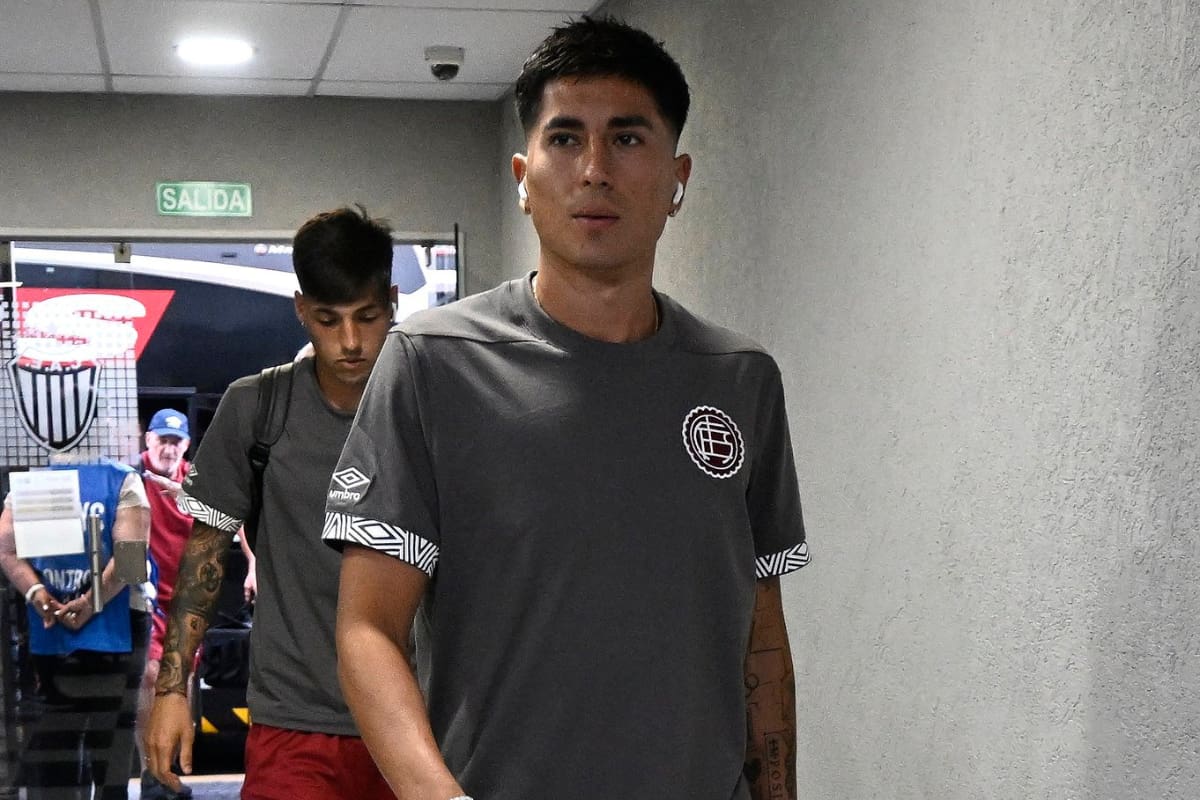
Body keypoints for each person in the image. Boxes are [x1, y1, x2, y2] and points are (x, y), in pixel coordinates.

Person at [324, 16, 810, 800]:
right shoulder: (432, 364)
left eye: (626, 139)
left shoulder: (740, 380)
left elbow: (759, 633)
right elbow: (368, 629)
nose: (593, 170)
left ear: (677, 177)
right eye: (564, 139)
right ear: (523, 175)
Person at [145, 206, 399, 799]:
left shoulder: (430, 407)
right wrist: (172, 690)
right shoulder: (257, 408)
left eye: (367, 317)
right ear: (302, 310)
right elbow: (203, 558)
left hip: (415, 717)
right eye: (330, 320)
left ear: (392, 301)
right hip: (294, 720)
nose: (352, 342)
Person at [0, 459, 151, 799]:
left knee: (59, 738)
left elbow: (5, 548)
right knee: (111, 738)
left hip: (52, 622)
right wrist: (89, 603)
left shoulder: (35, 481)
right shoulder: (121, 479)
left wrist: (38, 595)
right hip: (118, 624)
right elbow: (132, 557)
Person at [133, 408, 195, 799]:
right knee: (151, 675)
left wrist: (253, 564)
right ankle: (150, 772)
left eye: (176, 441)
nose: (169, 449)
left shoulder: (197, 480)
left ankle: (168, 772)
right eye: (163, 440)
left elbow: (233, 521)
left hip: (189, 598)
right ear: (148, 442)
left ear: (185, 446)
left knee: (179, 682)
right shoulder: (132, 477)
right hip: (148, 595)